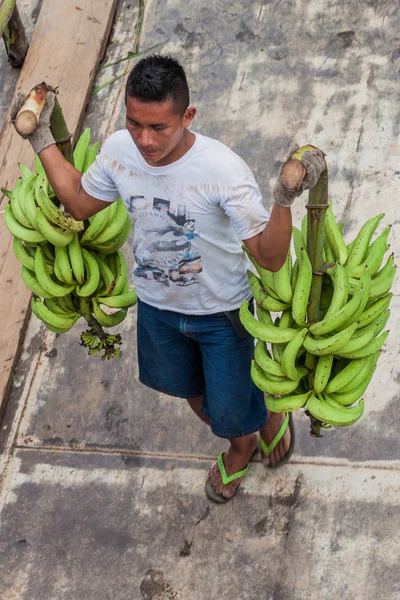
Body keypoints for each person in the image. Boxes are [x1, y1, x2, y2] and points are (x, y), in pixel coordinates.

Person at [11, 55, 324, 503]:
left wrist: (283, 198)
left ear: (188, 116)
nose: (145, 139)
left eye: (159, 127)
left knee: (235, 408)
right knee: (191, 393)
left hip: (222, 313)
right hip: (158, 307)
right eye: (135, 123)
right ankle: (246, 438)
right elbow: (80, 203)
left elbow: (270, 258)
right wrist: (39, 137)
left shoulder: (222, 170)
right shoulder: (120, 150)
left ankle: (247, 441)